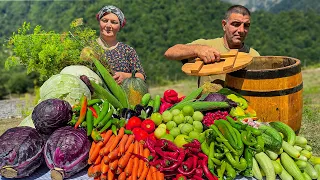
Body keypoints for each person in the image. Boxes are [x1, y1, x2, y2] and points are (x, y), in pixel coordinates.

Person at [164, 5, 260, 86]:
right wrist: (197, 50)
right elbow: (170, 53)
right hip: (207, 106)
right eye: (236, 24)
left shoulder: (253, 55)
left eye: (246, 25)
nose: (241, 30)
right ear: (224, 25)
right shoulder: (206, 46)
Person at [95, 5, 146, 84]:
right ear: (99, 22)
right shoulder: (88, 47)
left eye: (114, 22)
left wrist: (125, 76)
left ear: (120, 27)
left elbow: (141, 76)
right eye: (104, 21)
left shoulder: (127, 50)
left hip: (123, 95)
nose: (108, 25)